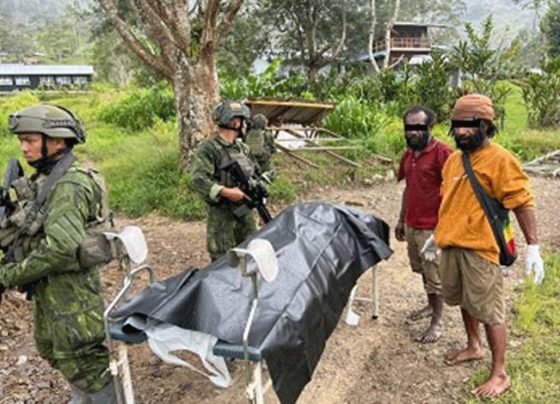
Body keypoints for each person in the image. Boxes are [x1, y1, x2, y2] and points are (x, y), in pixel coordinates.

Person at [428, 94, 545, 398]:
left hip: (481, 249)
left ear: (485, 125)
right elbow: (449, 201)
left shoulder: (501, 159)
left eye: (469, 125)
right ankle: (473, 345)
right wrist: (437, 233)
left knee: (490, 310)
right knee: (464, 300)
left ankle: (500, 372)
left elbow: (521, 202)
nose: (462, 131)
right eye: (458, 125)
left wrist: (533, 245)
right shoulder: (454, 160)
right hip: (451, 245)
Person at [0, 105, 117, 402]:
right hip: (51, 288)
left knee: (84, 359)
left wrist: (9, 275)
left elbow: (61, 248)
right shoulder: (47, 178)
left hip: (72, 292)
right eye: (21, 141)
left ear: (57, 140)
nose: (23, 148)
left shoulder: (70, 184)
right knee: (55, 350)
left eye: (30, 140)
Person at [395, 105, 452, 343]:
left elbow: (454, 192)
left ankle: (437, 322)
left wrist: (444, 229)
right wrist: (401, 219)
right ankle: (430, 306)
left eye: (418, 127)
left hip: (433, 227)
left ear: (430, 127)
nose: (412, 132)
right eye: (409, 128)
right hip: (412, 224)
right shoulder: (409, 154)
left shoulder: (443, 153)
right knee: (421, 269)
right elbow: (408, 189)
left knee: (435, 276)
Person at [190, 100, 260, 261]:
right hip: (222, 220)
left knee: (249, 258)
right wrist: (226, 192)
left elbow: (255, 176)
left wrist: (259, 204)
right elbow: (198, 179)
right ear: (235, 122)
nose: (245, 125)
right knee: (223, 264)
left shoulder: (243, 149)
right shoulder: (209, 148)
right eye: (242, 120)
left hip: (246, 217)